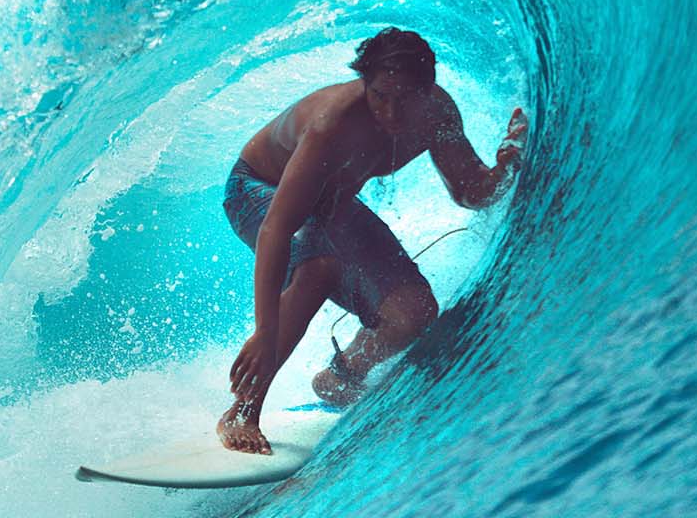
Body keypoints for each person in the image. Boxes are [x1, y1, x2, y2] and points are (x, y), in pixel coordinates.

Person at [216, 27, 527, 454]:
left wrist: (507, 164)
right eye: (381, 95)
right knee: (318, 269)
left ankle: (343, 375)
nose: (393, 112)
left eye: (406, 98)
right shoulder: (333, 125)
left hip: (330, 202)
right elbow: (276, 228)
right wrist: (266, 330)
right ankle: (241, 411)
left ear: (428, 88)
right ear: (366, 82)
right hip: (256, 188)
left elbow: (470, 191)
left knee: (415, 312)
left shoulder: (437, 115)